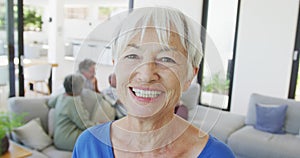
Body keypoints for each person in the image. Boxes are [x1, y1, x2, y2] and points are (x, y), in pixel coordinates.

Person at [73, 7, 235, 157]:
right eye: (132, 56)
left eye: (166, 59)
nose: (146, 75)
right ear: (116, 66)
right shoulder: (88, 145)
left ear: (190, 76)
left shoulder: (218, 155)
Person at [48, 74, 97, 151]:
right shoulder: (73, 103)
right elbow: (84, 124)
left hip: (58, 137)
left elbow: (50, 103)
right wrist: (99, 126)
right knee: (96, 140)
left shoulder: (61, 97)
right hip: (66, 139)